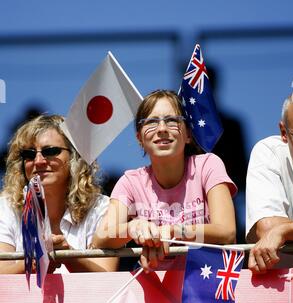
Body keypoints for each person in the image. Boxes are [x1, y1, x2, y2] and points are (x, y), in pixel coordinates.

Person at [92, 89, 237, 272]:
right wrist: (133, 227)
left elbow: (227, 231)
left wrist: (172, 231)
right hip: (153, 286)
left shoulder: (209, 165)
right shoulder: (130, 181)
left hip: (206, 286)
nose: (162, 129)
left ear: (188, 134)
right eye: (151, 122)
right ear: (140, 139)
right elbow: (101, 237)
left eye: (172, 121)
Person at [0, 114, 118, 274]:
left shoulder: (102, 207)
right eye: (29, 154)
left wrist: (67, 255)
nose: (39, 161)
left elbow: (108, 276)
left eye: (50, 151)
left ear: (74, 157)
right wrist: (37, 261)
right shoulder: (6, 206)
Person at [246, 89, 293, 273]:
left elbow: (275, 230)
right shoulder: (269, 152)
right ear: (284, 132)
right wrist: (277, 230)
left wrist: (283, 231)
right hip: (286, 289)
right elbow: (267, 227)